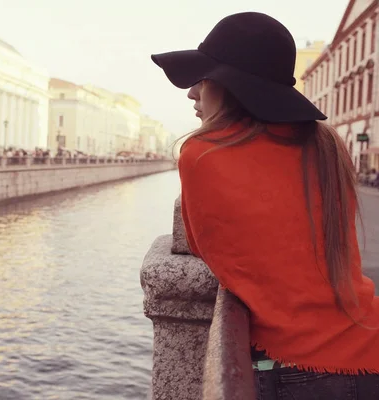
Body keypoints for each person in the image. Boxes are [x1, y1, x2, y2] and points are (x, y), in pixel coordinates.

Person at [152, 12, 379, 399]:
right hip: (367, 349)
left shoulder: (202, 153)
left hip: (296, 368)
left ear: (227, 86)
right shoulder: (327, 144)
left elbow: (206, 247)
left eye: (201, 79)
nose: (191, 92)